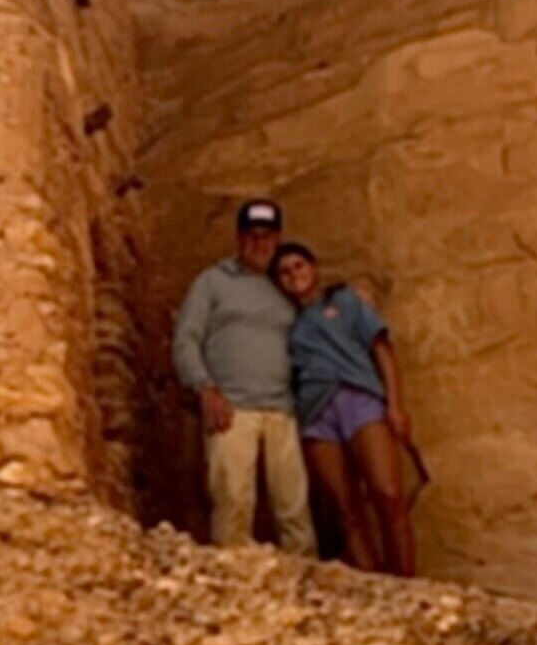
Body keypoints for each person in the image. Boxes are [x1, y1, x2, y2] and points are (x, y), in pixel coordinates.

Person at [171, 200, 317, 556]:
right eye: (251, 236)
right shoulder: (213, 281)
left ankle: (309, 590)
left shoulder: (283, 284)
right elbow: (186, 338)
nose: (259, 243)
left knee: (294, 506)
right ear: (238, 239)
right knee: (233, 500)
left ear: (278, 238)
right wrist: (204, 386)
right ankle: (235, 582)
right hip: (232, 406)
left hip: (282, 408)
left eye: (267, 237)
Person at [268, 242, 418, 576]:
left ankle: (408, 584)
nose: (295, 275)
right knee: (345, 509)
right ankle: (376, 588)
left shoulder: (346, 301)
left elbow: (382, 350)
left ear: (314, 267)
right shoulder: (288, 328)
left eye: (299, 266)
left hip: (359, 398)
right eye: (285, 272)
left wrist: (395, 406)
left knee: (388, 493)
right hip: (316, 416)